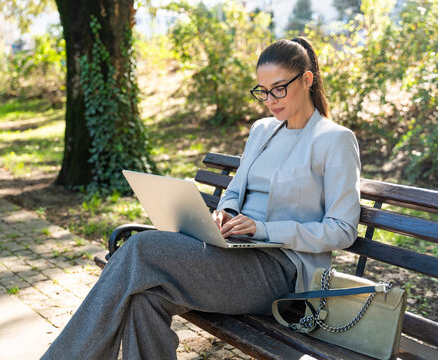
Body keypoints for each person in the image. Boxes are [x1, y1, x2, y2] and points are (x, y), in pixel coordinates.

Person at [41, 37, 361, 360]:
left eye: (279, 88)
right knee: (144, 300)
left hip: (280, 271)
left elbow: (343, 229)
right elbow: (235, 192)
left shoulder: (334, 141)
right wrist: (225, 213)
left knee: (139, 248)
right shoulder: (262, 131)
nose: (269, 100)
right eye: (262, 91)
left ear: (307, 79)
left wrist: (262, 229)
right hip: (231, 252)